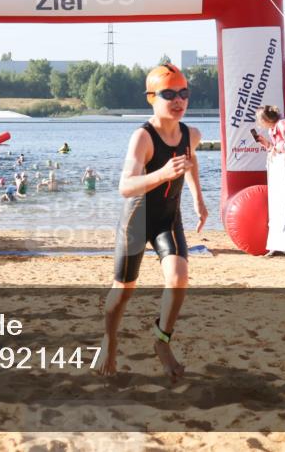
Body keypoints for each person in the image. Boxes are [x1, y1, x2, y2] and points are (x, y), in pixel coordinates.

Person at [95, 63, 207, 382]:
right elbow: (125, 186)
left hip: (168, 218)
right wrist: (162, 174)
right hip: (137, 219)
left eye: (183, 93)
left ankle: (162, 341)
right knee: (123, 290)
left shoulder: (192, 134)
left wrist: (198, 198)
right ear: (151, 98)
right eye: (169, 94)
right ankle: (109, 339)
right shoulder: (142, 137)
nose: (178, 100)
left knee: (179, 277)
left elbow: (190, 159)